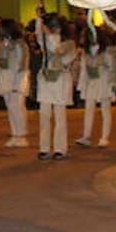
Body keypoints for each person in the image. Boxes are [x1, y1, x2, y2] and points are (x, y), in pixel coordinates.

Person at [36, 16, 76, 160]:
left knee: (60, 117)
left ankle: (60, 148)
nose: (53, 29)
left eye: (54, 26)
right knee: (44, 116)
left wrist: (50, 35)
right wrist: (39, 19)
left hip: (60, 81)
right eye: (50, 26)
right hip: (46, 80)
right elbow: (39, 36)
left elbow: (58, 51)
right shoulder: (47, 40)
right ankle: (44, 148)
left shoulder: (69, 43)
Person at [75, 26, 116, 149]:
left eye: (93, 35)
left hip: (104, 82)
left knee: (105, 110)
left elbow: (112, 67)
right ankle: (86, 136)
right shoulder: (85, 52)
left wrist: (113, 84)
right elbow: (83, 70)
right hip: (91, 83)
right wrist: (81, 85)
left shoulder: (107, 51)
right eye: (89, 35)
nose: (92, 38)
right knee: (88, 109)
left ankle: (104, 138)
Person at [0, 19, 30, 148]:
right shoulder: (2, 43)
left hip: (17, 80)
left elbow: (23, 65)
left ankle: (21, 135)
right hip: (6, 79)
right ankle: (15, 134)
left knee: (18, 108)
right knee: (11, 109)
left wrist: (18, 84)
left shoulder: (20, 44)